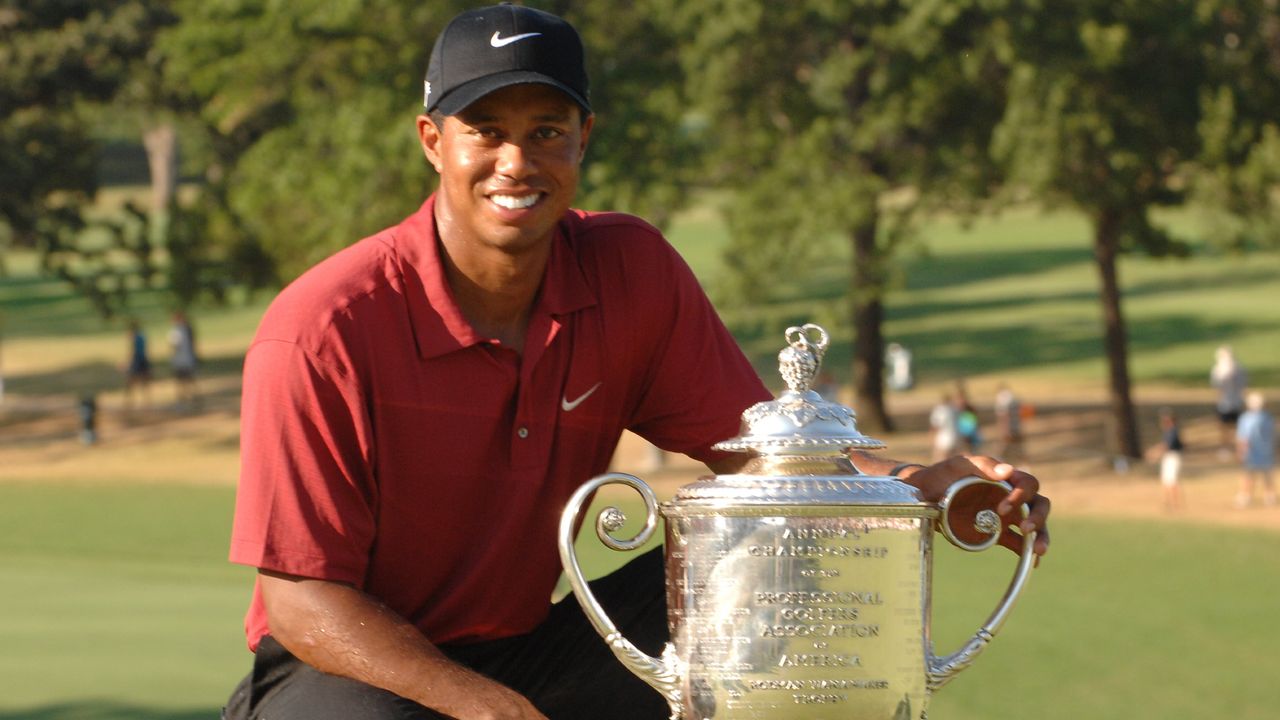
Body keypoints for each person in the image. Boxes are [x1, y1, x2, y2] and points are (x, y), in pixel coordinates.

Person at [222, 7, 1052, 720]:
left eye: (546, 131)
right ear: (434, 142)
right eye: (487, 131)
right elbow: (302, 602)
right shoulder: (323, 328)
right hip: (342, 672)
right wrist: (475, 704)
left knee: (780, 559)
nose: (517, 162)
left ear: (584, 138)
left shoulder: (629, 270)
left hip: (531, 647)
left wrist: (921, 482)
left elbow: (769, 456)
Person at [1235, 391, 1275, 508]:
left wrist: (1240, 451)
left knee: (1248, 475)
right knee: (1267, 474)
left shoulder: (1246, 418)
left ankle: (1246, 496)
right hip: (1267, 450)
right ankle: (1270, 496)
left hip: (1252, 451)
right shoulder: (1268, 417)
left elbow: (1244, 437)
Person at [1210, 345, 1247, 458]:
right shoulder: (1238, 369)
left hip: (1227, 403)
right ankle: (1236, 449)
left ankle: (1231, 449)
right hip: (1233, 402)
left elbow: (1217, 388)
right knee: (1234, 428)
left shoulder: (1220, 370)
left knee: (1227, 428)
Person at [1145, 408, 1183, 510]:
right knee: (1166, 481)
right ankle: (1167, 503)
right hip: (1168, 458)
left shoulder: (1173, 432)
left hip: (1173, 457)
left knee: (1172, 481)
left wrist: (1154, 454)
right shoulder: (1168, 432)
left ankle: (1175, 504)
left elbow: (1166, 446)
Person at [168, 310, 199, 407]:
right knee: (188, 379)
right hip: (187, 359)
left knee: (182, 380)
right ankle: (192, 398)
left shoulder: (177, 331)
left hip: (181, 360)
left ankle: (183, 399)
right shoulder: (188, 329)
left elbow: (174, 346)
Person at [123, 320, 151, 411]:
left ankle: (129, 401)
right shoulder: (142, 336)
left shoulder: (135, 337)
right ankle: (146, 401)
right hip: (143, 360)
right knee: (143, 381)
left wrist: (127, 363)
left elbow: (132, 351)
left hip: (137, 361)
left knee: (130, 381)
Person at [994, 382, 1025, 461]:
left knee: (1005, 445)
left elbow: (1004, 416)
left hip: (1009, 428)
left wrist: (1005, 430)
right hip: (1016, 426)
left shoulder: (1002, 399)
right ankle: (1022, 464)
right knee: (1017, 447)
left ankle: (999, 460)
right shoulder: (1012, 399)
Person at [930, 392, 960, 462]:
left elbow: (935, 426)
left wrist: (931, 437)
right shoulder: (954, 409)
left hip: (943, 440)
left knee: (940, 462)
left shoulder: (940, 410)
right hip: (955, 438)